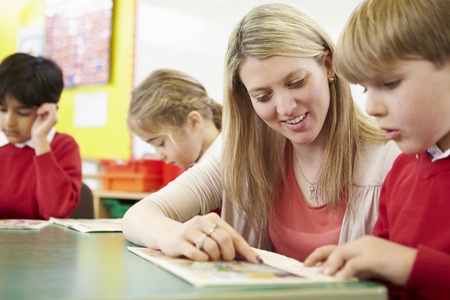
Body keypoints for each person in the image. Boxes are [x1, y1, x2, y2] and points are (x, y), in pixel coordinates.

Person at [122, 3, 400, 263]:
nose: (286, 107)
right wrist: (174, 234)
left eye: (296, 82)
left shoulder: (391, 156)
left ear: (328, 66)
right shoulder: (240, 157)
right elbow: (139, 216)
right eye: (263, 96)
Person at [303, 0, 450, 298]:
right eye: (366, 89)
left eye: (390, 83)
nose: (370, 108)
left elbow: (401, 264)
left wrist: (407, 265)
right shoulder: (401, 171)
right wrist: (361, 266)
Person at [0, 52, 82, 219]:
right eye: (2, 110)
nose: (9, 122)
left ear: (46, 110)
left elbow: (56, 210)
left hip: (44, 244)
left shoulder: (62, 146)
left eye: (22, 113)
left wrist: (40, 141)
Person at [127, 68, 222, 170]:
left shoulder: (222, 164)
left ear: (193, 122)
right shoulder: (205, 163)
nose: (159, 156)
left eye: (160, 144)